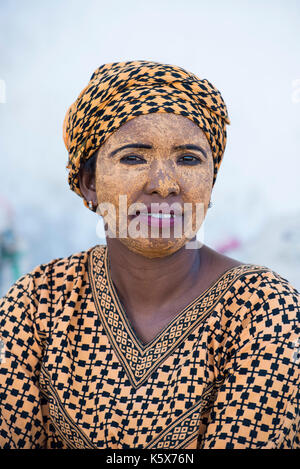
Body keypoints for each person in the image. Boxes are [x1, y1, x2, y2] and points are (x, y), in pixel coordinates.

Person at [0, 60, 299, 449]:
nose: (164, 184)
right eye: (133, 158)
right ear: (88, 182)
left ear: (211, 181)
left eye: (189, 159)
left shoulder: (265, 309)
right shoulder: (39, 301)